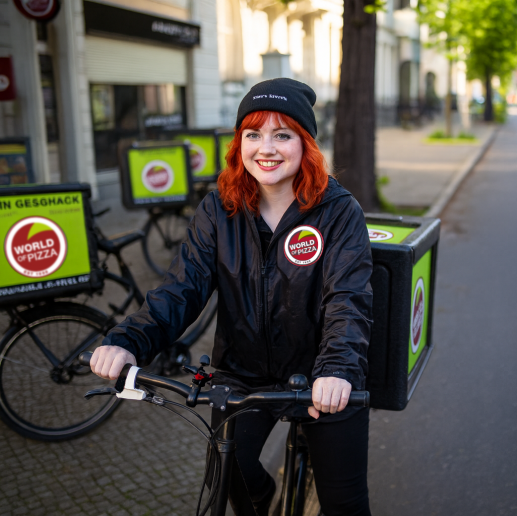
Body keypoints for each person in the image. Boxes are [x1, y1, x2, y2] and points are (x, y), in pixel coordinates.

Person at [90, 78, 373, 516]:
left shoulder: (338, 211)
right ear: (239, 142)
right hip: (242, 375)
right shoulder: (218, 210)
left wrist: (337, 370)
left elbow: (347, 300)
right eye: (254, 134)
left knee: (345, 504)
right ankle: (263, 499)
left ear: (306, 144)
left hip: (325, 374)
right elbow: (181, 289)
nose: (267, 148)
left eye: (283, 135)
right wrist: (128, 340)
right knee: (229, 477)